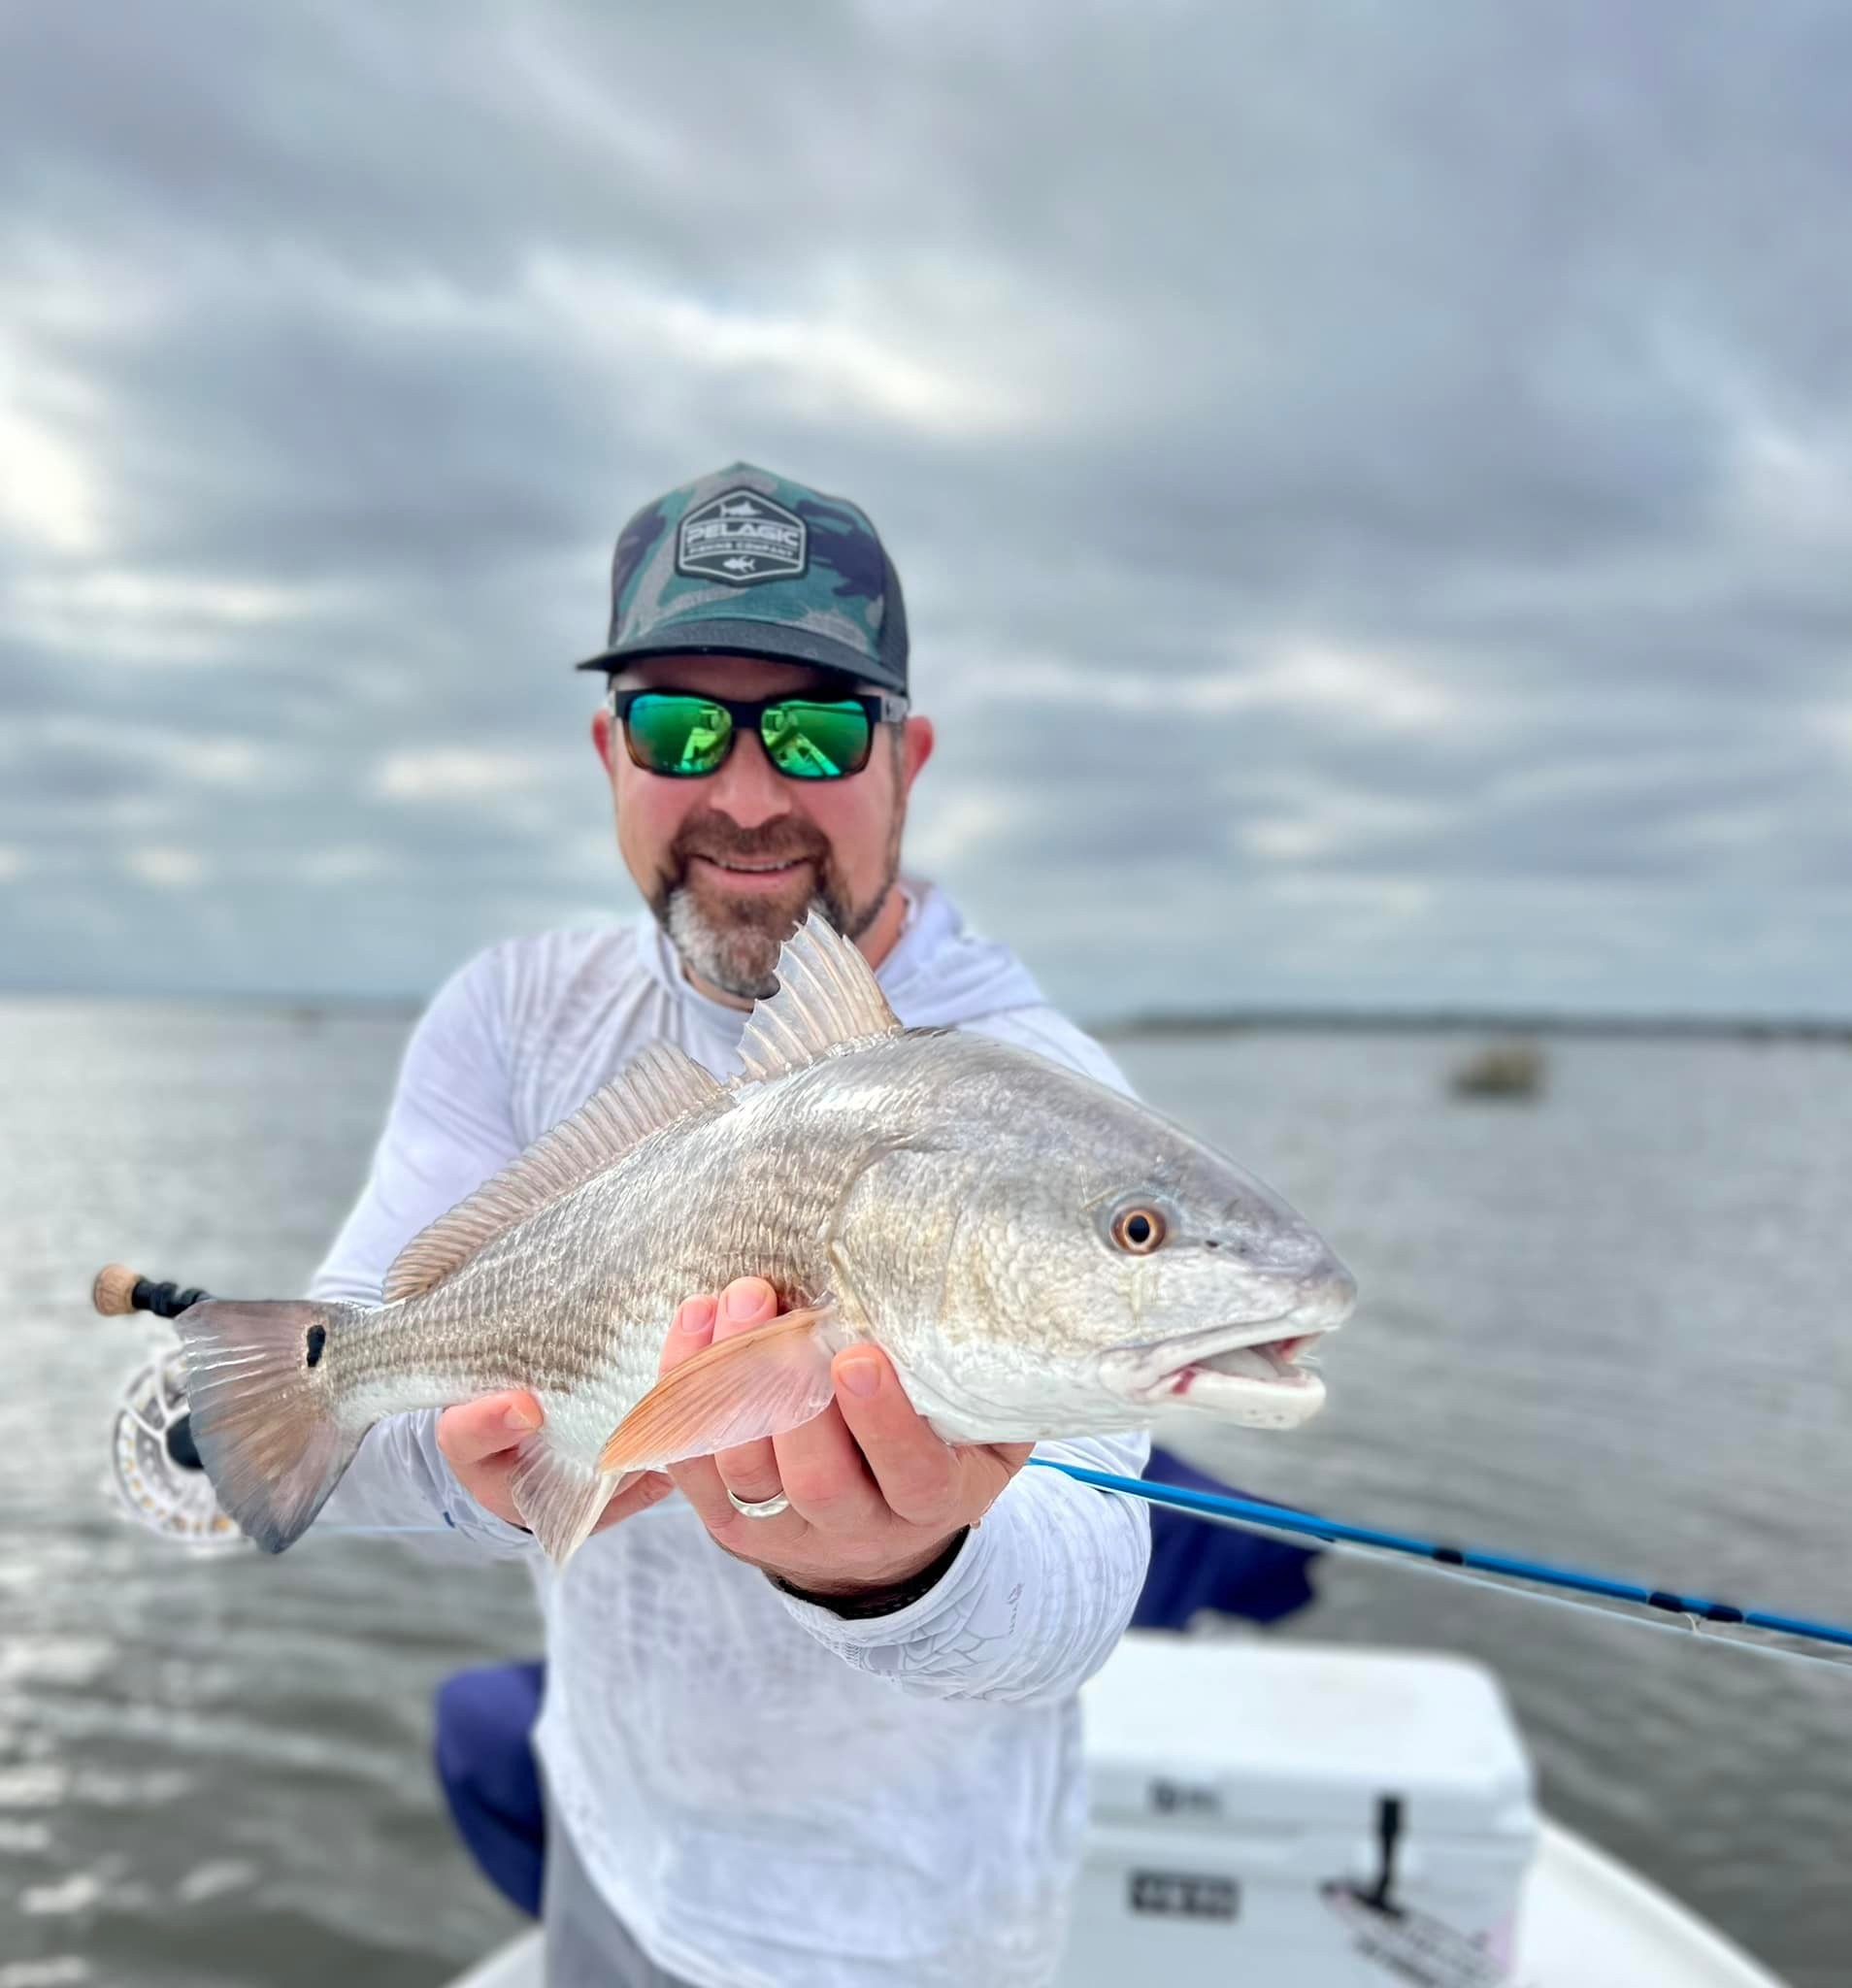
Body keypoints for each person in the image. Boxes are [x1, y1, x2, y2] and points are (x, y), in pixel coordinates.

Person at [310, 463, 1154, 1988]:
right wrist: (483, 1469)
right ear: (607, 753)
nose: (750, 793)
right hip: (611, 1860)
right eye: (681, 726)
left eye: (821, 729)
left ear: (909, 758)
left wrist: (892, 1570)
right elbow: (330, 1402)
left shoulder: (1047, 1108)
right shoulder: (513, 1019)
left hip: (919, 1940)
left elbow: (1082, 1577)